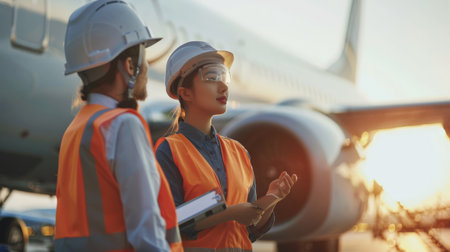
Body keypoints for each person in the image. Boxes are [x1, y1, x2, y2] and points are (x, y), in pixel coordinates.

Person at [54, 1, 182, 251]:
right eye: (143, 56)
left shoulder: (77, 128)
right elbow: (147, 234)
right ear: (129, 66)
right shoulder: (124, 125)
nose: (146, 67)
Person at [155, 41, 298, 251]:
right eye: (212, 77)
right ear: (185, 93)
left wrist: (272, 198)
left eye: (223, 77)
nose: (223, 86)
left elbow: (250, 229)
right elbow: (170, 220)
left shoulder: (239, 152)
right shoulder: (169, 151)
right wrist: (230, 213)